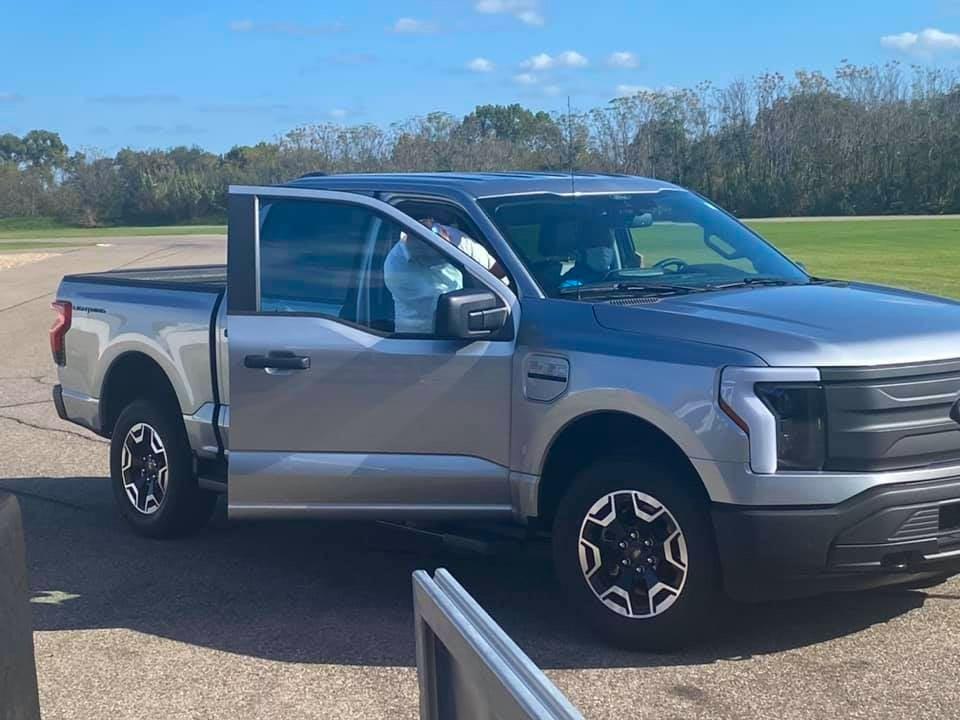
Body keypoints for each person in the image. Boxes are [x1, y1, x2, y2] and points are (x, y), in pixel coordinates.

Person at [384, 218, 507, 334]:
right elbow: (446, 309)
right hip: (419, 337)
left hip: (473, 327)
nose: (438, 262)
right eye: (429, 259)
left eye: (442, 258)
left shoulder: (459, 241)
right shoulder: (396, 267)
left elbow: (496, 270)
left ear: (445, 234)